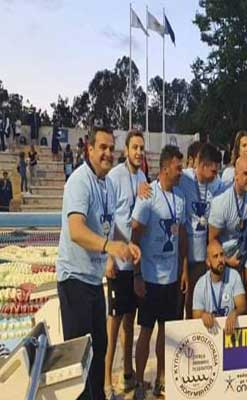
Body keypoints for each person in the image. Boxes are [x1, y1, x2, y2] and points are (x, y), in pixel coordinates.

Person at [56, 126, 141, 400]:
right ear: (89, 149)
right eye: (102, 147)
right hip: (74, 279)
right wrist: (108, 247)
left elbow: (109, 227)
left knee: (99, 348)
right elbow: (76, 230)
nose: (107, 153)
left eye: (110, 148)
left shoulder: (107, 184)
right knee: (81, 358)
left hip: (93, 280)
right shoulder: (79, 182)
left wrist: (125, 245)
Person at [131, 145, 188, 400]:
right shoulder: (148, 196)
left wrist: (183, 270)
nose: (181, 172)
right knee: (146, 330)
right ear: (165, 168)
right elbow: (135, 236)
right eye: (178, 167)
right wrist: (137, 275)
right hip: (150, 278)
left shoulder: (180, 198)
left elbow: (181, 236)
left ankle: (161, 379)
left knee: (166, 331)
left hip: (171, 278)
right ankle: (139, 380)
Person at [104, 130, 149, 399]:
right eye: (135, 147)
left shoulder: (143, 178)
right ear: (126, 150)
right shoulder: (114, 177)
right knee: (113, 326)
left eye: (142, 148)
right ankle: (106, 381)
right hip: (117, 262)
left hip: (133, 264)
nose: (139, 152)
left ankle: (128, 373)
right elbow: (107, 218)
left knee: (130, 323)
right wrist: (109, 257)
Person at [178, 142, 225, 319]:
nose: (215, 175)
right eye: (213, 170)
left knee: (195, 305)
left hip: (201, 258)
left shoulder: (217, 184)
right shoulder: (184, 178)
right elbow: (161, 181)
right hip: (182, 256)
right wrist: (142, 186)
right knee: (178, 306)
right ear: (203, 165)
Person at [209, 157, 247, 285]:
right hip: (223, 259)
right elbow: (212, 241)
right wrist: (227, 260)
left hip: (241, 257)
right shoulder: (222, 202)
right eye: (246, 174)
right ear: (236, 176)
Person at [192, 239, 247, 333]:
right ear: (208, 262)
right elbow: (195, 315)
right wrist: (203, 315)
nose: (220, 260)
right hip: (211, 333)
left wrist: (235, 312)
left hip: (230, 331)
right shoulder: (201, 284)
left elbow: (242, 306)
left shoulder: (234, 276)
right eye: (215, 256)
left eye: (222, 255)